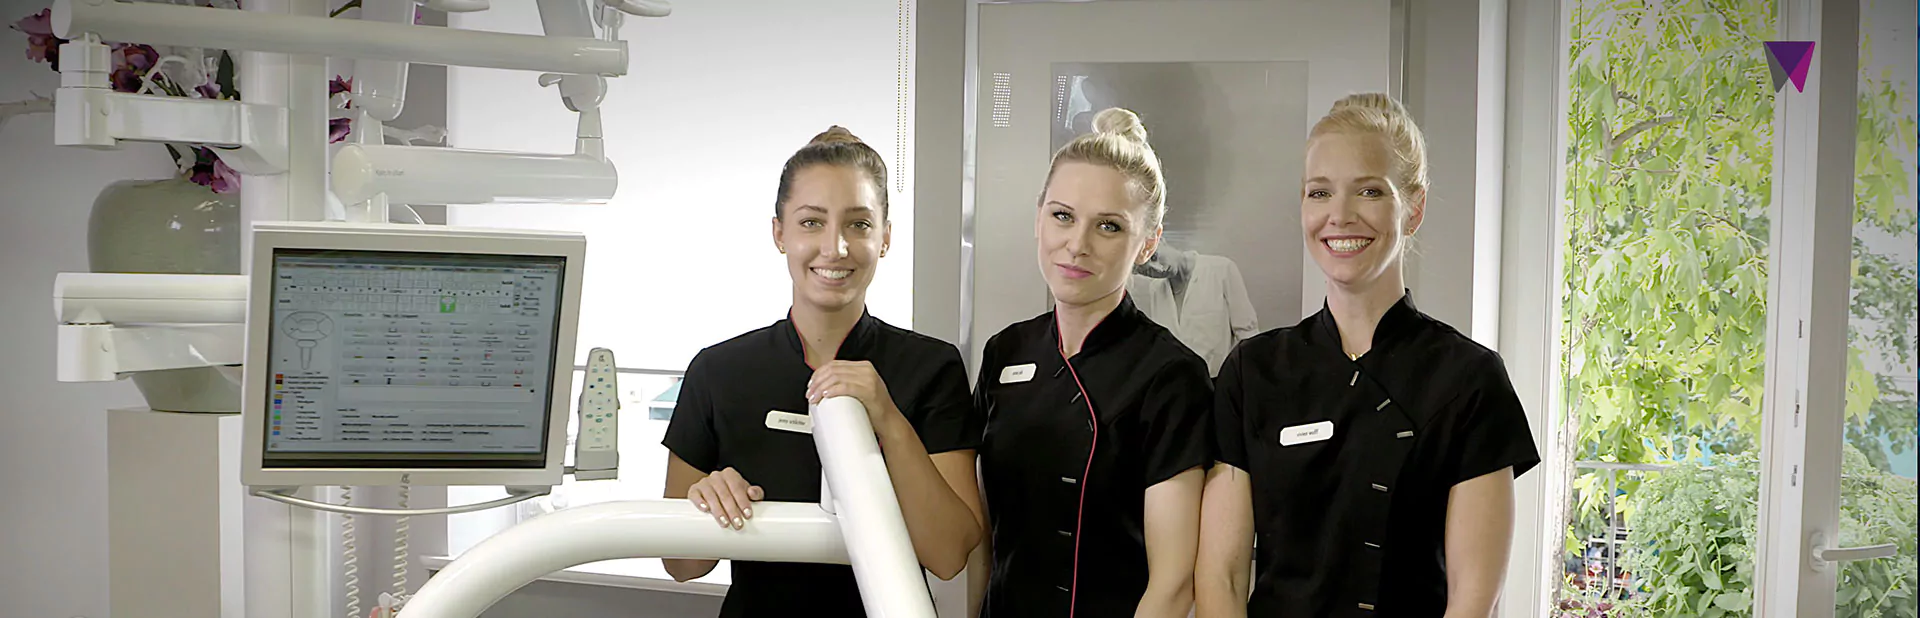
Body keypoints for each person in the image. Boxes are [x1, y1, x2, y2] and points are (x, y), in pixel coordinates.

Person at [1193, 93, 1541, 617]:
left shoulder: (1469, 378)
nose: (1339, 215)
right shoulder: (1253, 371)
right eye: (1319, 192)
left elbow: (1474, 600)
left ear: (1414, 208)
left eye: (1370, 191)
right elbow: (1221, 576)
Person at [660, 127, 986, 617]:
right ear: (779, 234)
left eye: (859, 224)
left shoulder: (931, 368)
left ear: (885, 237)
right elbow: (682, 565)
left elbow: (948, 555)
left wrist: (888, 420)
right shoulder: (718, 371)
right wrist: (708, 502)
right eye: (812, 222)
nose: (835, 247)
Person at [975, 107, 1214, 618]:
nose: (1077, 245)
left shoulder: (1171, 377)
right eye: (1062, 216)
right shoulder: (1004, 354)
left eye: (1108, 226)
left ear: (1148, 243)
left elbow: (1173, 584)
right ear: (1038, 218)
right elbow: (987, 543)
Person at [1129, 243, 1260, 377]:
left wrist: (1250, 381)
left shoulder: (1221, 269)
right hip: (1178, 382)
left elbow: (1247, 335)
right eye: (1148, 271)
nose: (1158, 268)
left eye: (1154, 257)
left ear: (1160, 240)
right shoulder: (1156, 290)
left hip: (1219, 381)